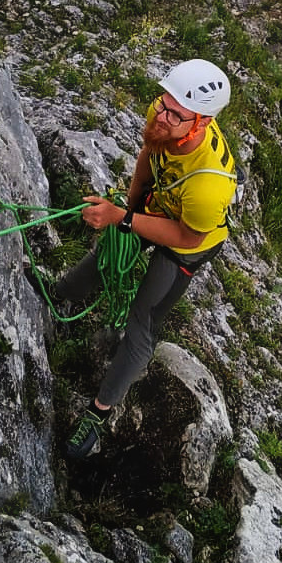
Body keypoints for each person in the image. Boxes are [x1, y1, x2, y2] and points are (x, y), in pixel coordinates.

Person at [52, 59, 238, 459]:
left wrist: (125, 218)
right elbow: (148, 156)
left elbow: (187, 235)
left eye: (175, 114)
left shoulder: (209, 186)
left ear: (202, 123)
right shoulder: (169, 113)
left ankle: (98, 414)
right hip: (160, 207)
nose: (162, 116)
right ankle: (60, 293)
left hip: (189, 241)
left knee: (142, 321)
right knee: (109, 254)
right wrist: (130, 214)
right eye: (163, 104)